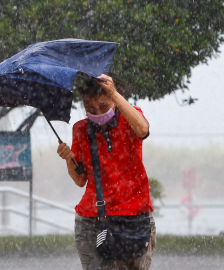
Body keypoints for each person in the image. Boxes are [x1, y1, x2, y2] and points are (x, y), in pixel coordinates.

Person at [57, 74, 156, 270]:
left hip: (135, 217)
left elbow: (143, 129)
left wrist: (113, 92)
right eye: (90, 109)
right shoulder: (81, 129)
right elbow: (79, 179)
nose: (98, 113)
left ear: (114, 100)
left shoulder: (130, 117)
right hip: (93, 220)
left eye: (104, 107)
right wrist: (68, 159)